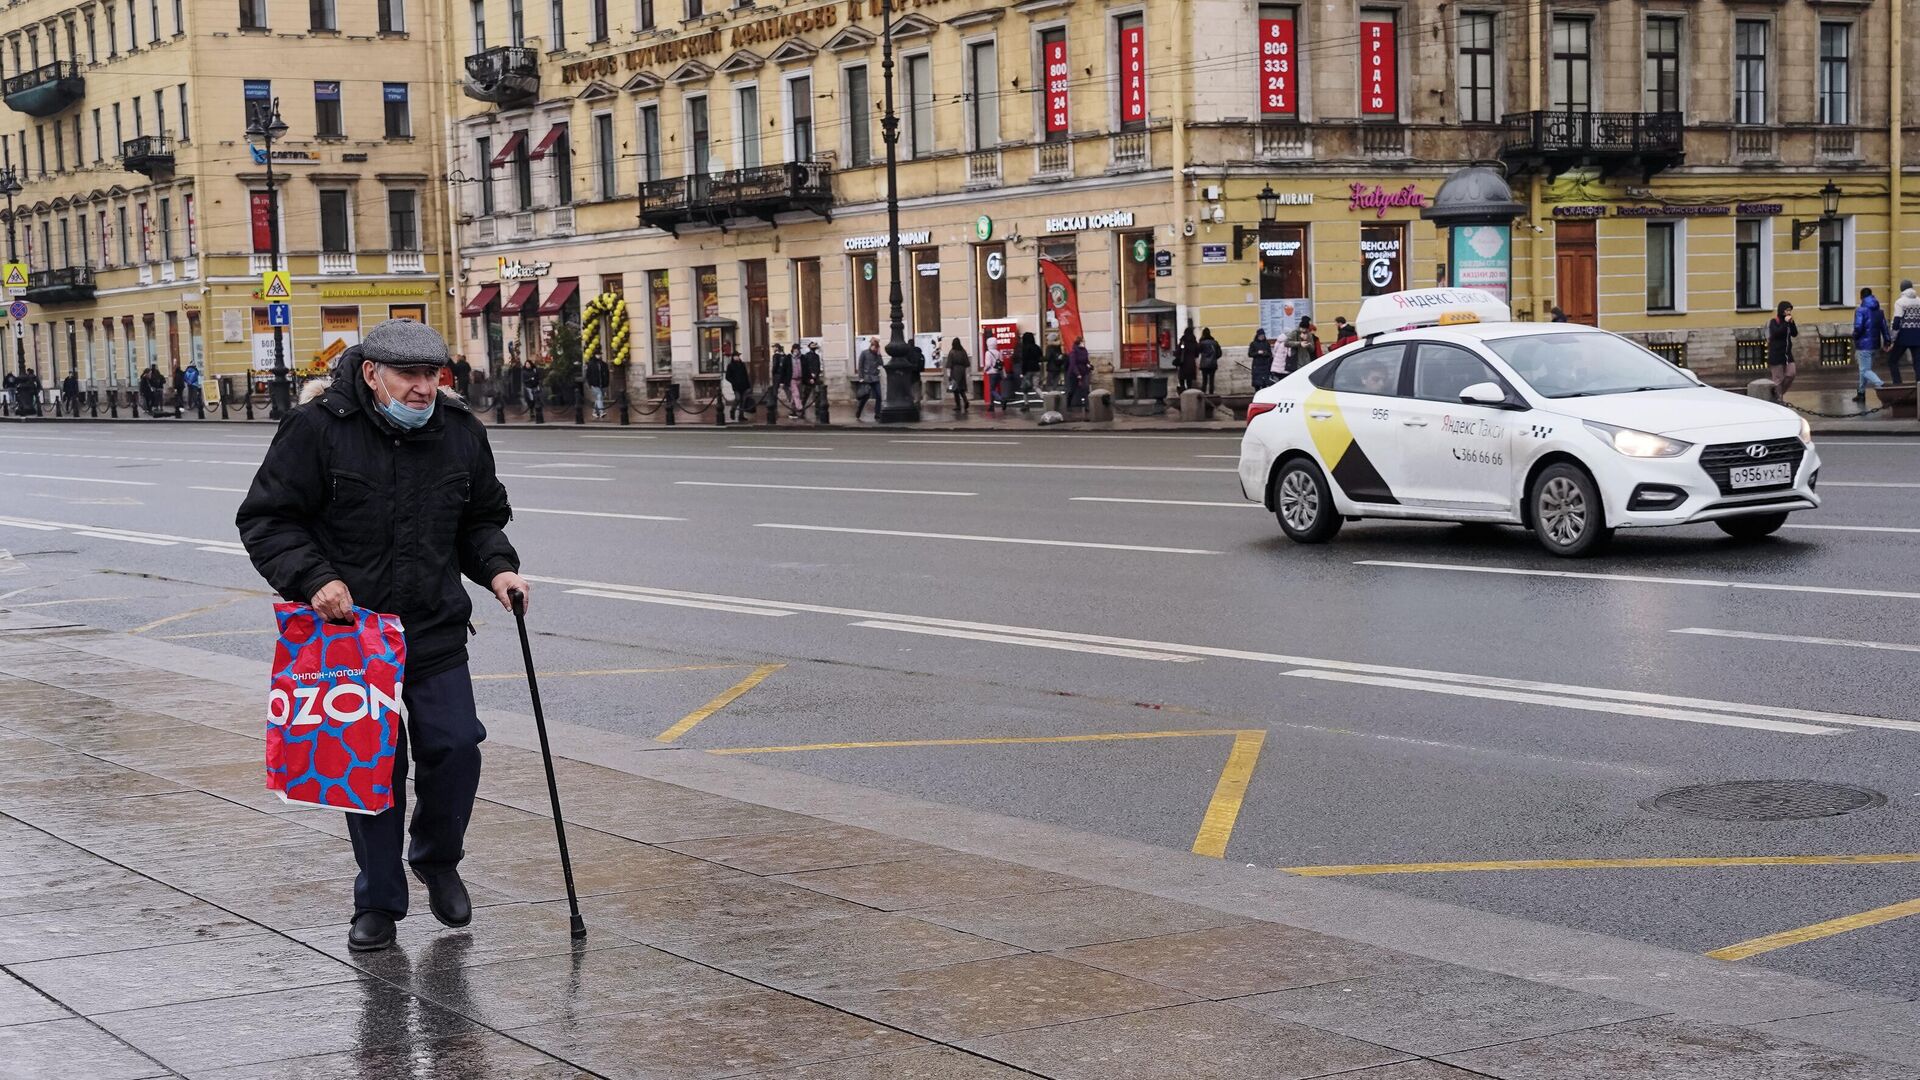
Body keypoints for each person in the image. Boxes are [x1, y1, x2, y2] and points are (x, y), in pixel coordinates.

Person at [236, 319, 526, 955]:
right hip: (352, 636)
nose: (424, 388)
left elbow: (479, 519)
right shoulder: (318, 431)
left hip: (433, 627)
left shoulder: (460, 433)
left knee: (456, 748)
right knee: (372, 772)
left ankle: (436, 857)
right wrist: (315, 581)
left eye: (433, 375)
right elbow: (268, 519)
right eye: (410, 376)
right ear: (373, 374)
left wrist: (499, 569)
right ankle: (378, 901)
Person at [1853, 286, 1890, 402]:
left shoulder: (1860, 310)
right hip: (1875, 345)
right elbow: (1884, 327)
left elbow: (1858, 327)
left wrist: (1854, 336)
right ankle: (1861, 393)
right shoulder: (1879, 311)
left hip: (1863, 345)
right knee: (1864, 370)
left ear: (1862, 297)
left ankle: (1880, 384)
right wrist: (1887, 341)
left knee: (1865, 370)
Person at [1889, 279, 1920, 385]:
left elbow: (1897, 321)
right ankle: (1919, 386)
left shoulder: (1900, 302)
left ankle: (1897, 384)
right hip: (1917, 337)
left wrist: (1892, 338)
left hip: (1903, 336)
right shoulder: (1919, 301)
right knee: (1918, 363)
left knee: (1892, 360)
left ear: (1901, 289)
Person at [1767, 301, 1798, 398]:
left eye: (1790, 310)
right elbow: (1777, 333)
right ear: (1782, 311)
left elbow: (1794, 333)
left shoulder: (1788, 322)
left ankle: (1778, 394)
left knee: (1791, 374)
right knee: (1778, 379)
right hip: (1776, 355)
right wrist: (1785, 322)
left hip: (1787, 354)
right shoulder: (1774, 322)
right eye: (1787, 310)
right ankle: (1779, 400)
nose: (1789, 312)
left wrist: (1792, 323)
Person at [855, 336, 884, 420]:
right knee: (865, 396)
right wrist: (861, 377)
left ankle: (877, 413)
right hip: (866, 378)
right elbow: (860, 366)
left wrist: (879, 355)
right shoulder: (864, 353)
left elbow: (881, 364)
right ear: (871, 346)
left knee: (879, 395)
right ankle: (859, 411)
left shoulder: (877, 355)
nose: (875, 348)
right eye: (874, 346)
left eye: (876, 347)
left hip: (875, 378)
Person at [945, 337, 971, 415]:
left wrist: (949, 375)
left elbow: (949, 364)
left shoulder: (952, 352)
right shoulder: (963, 351)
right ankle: (965, 401)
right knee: (961, 388)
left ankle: (958, 405)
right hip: (962, 371)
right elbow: (967, 363)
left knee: (955, 389)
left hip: (954, 371)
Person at [723, 352, 751, 422]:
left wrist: (748, 386)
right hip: (736, 386)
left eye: (738, 356)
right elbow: (727, 377)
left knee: (743, 401)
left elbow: (746, 376)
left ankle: (741, 416)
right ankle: (733, 410)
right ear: (733, 357)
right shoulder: (730, 366)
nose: (737, 357)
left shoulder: (742, 365)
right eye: (736, 356)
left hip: (744, 386)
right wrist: (734, 382)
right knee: (738, 398)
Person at [770, 343, 797, 417]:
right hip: (784, 376)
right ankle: (792, 406)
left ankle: (773, 407)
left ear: (776, 348)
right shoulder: (785, 356)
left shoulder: (775, 356)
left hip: (777, 375)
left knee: (775, 391)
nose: (773, 349)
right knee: (787, 391)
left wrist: (773, 373)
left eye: (774, 347)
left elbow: (775, 366)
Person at [1018, 332, 1042, 408]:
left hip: (1027, 370)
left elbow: (1024, 361)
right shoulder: (1037, 347)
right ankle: (1044, 398)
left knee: (1025, 388)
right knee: (1036, 386)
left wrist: (1022, 372)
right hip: (1036, 369)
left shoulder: (1024, 348)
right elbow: (1040, 357)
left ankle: (1026, 404)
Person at [1066, 337, 1091, 409]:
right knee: (1072, 390)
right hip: (1074, 373)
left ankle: (1087, 406)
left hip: (1084, 372)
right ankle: (1068, 404)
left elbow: (1086, 361)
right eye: (1083, 341)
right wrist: (1077, 374)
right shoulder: (1073, 352)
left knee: (1085, 388)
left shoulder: (1085, 351)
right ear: (1079, 342)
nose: (1084, 343)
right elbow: (1073, 364)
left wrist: (1089, 365)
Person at [584, 352, 610, 419]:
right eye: (597, 354)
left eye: (600, 354)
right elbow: (588, 375)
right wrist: (590, 383)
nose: (599, 356)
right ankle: (602, 412)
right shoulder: (591, 364)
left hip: (602, 384)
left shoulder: (604, 364)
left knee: (598, 398)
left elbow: (607, 374)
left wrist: (606, 382)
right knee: (599, 396)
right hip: (594, 384)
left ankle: (595, 412)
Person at [982, 336, 1005, 410]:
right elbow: (1002, 363)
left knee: (992, 390)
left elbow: (988, 364)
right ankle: (991, 406)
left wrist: (984, 369)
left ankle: (1001, 399)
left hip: (992, 373)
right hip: (998, 373)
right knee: (994, 389)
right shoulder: (998, 352)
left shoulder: (988, 353)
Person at [1197, 328, 1221, 395]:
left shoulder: (1202, 343)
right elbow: (1219, 353)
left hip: (1204, 364)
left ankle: (1203, 393)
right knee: (1211, 380)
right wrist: (1214, 358)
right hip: (1213, 364)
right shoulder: (1215, 343)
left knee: (1204, 380)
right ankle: (1211, 393)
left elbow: (1198, 351)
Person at [1176, 325, 1199, 392]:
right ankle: (1189, 395)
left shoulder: (1183, 341)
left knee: (1182, 380)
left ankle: (1183, 394)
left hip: (1183, 363)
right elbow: (1197, 354)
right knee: (1189, 381)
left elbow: (1178, 351)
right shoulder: (1194, 342)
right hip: (1191, 364)